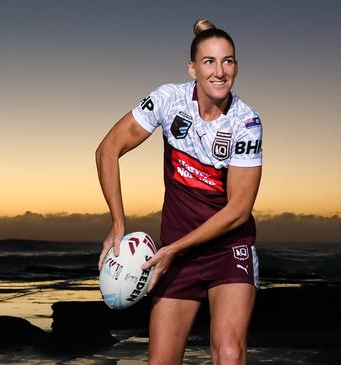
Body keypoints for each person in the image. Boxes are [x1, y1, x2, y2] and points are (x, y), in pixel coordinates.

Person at [95, 18, 263, 365]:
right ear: (192, 69)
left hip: (227, 249)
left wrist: (174, 249)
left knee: (229, 354)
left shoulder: (246, 124)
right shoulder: (169, 100)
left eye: (228, 61)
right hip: (175, 252)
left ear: (236, 67)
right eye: (209, 61)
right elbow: (107, 150)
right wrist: (117, 224)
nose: (220, 71)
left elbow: (238, 212)